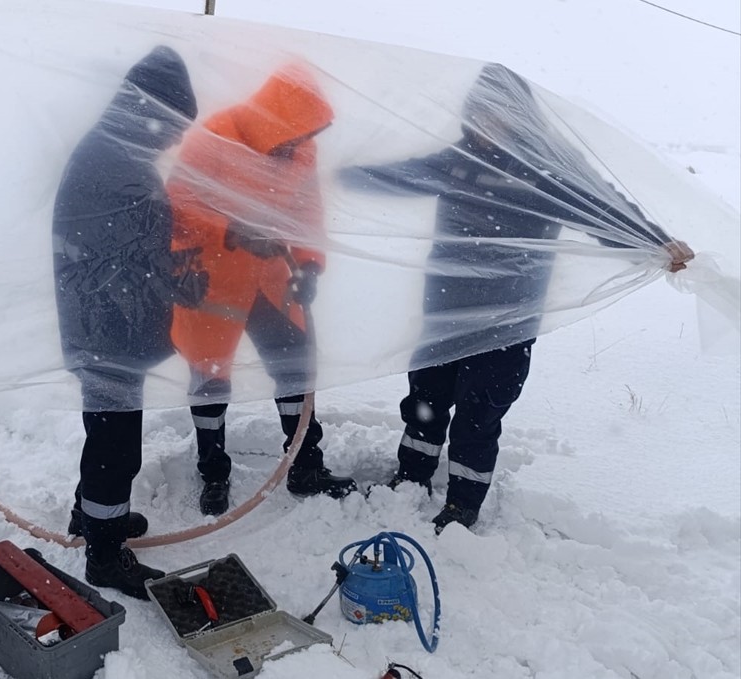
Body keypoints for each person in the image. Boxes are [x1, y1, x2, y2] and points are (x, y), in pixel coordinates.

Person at [341, 63, 694, 533]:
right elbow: (402, 176)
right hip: (445, 309)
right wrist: (336, 176)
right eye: (481, 112)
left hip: (508, 319)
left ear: (520, 115)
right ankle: (411, 478)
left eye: (499, 112)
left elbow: (603, 207)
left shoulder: (547, 169)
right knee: (426, 401)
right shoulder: (459, 159)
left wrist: (654, 240)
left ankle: (462, 504)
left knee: (479, 414)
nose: (489, 122)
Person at [167, 63, 357, 517]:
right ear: (277, 117)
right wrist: (231, 232)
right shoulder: (215, 138)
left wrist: (309, 265)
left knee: (296, 369)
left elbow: (307, 211)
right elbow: (179, 205)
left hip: (272, 280)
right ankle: (213, 473)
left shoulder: (302, 149)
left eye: (306, 135)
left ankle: (305, 465)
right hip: (214, 280)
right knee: (210, 377)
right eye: (295, 133)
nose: (299, 143)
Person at [53, 46, 203, 599]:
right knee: (116, 447)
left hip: (104, 324)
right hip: (106, 329)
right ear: (152, 110)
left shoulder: (113, 151)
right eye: (175, 125)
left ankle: (91, 515)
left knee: (106, 434)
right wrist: (180, 276)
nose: (176, 139)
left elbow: (133, 246)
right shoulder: (114, 163)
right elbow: (131, 253)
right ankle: (104, 553)